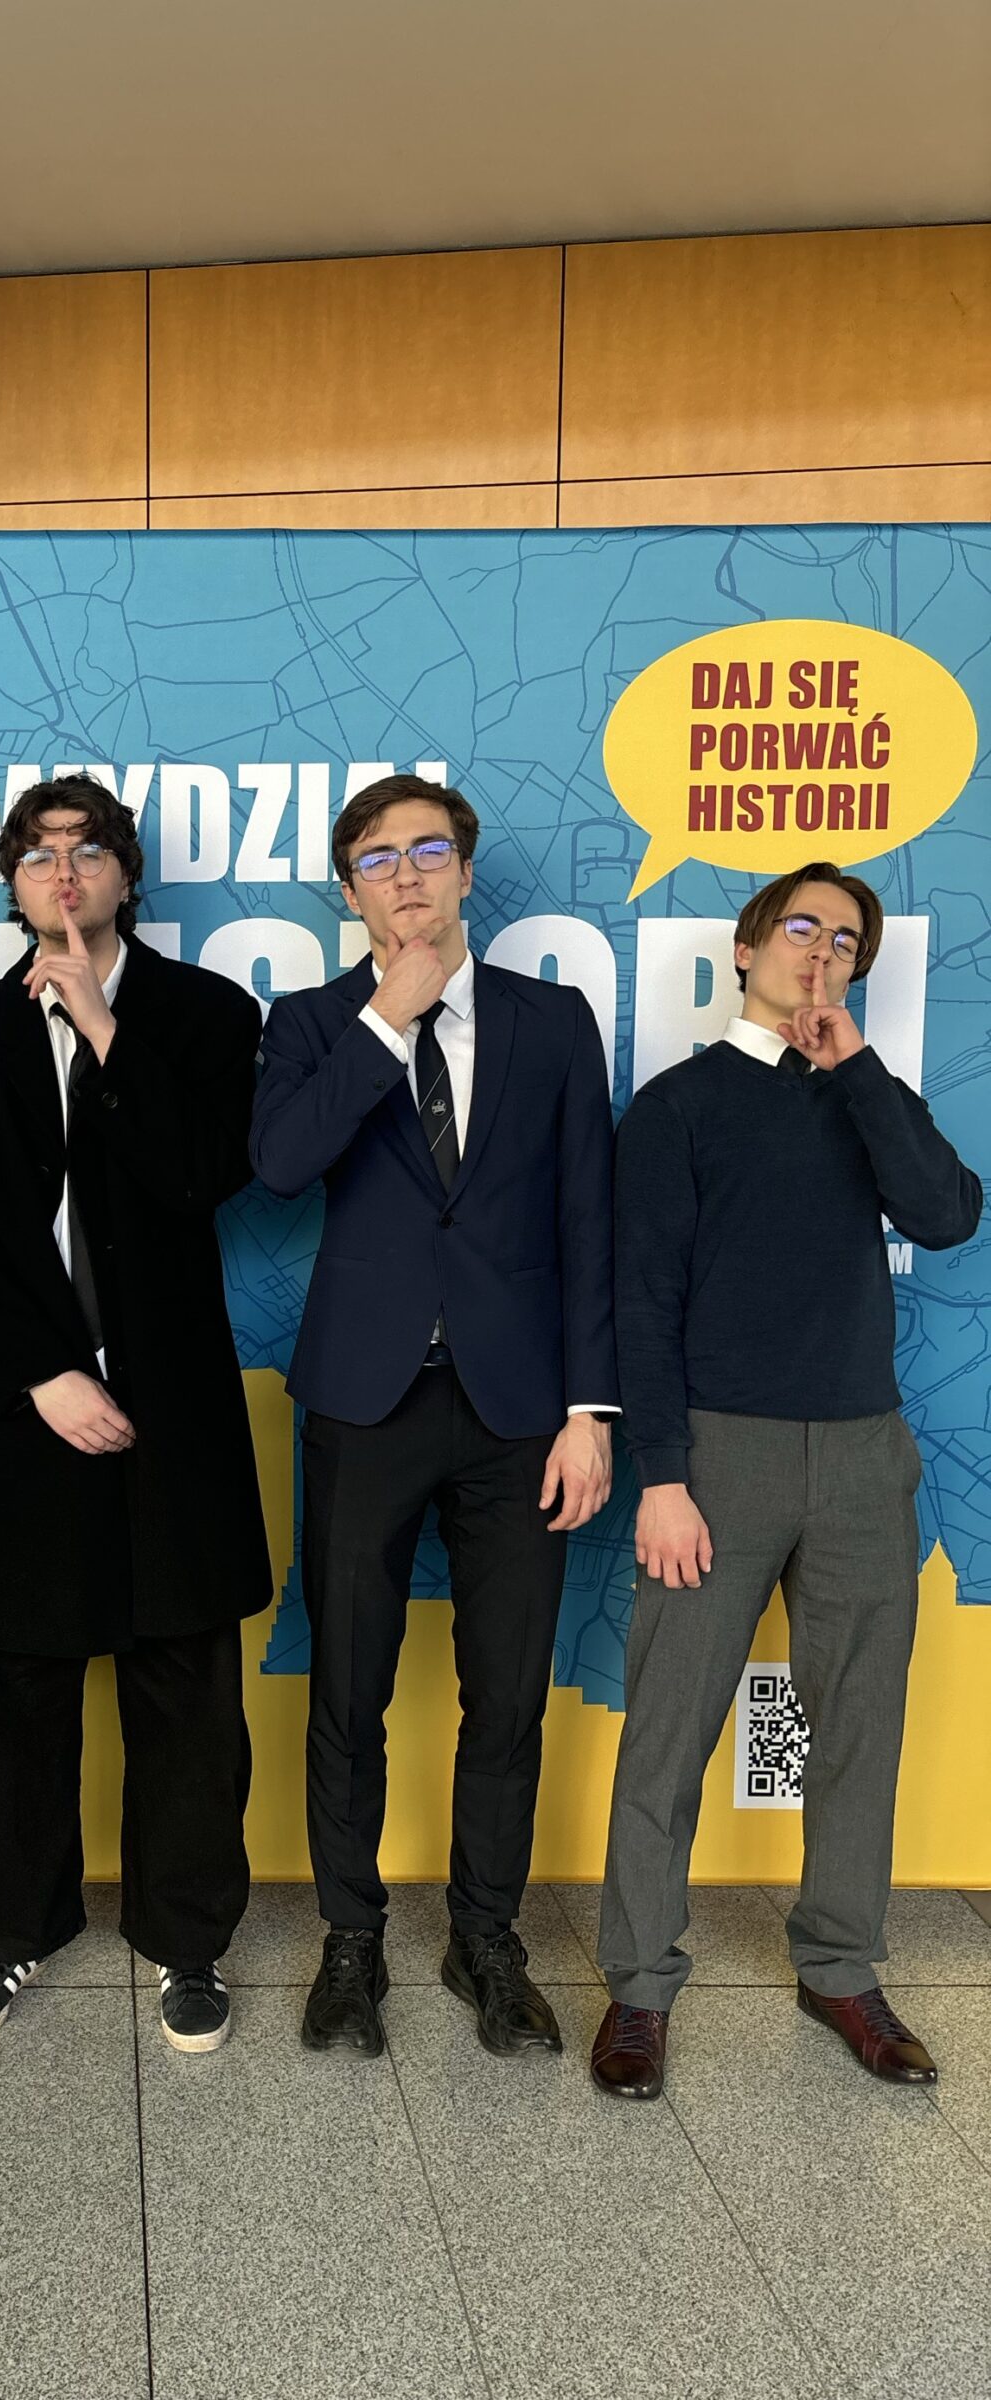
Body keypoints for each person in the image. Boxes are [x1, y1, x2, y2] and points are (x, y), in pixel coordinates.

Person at [592, 863, 982, 2101]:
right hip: (720, 1452)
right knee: (670, 1728)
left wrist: (855, 1066)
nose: (822, 950)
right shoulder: (679, 1106)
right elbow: (641, 1300)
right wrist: (663, 1478)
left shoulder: (870, 1094)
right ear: (749, 949)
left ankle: (841, 1968)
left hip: (864, 1452)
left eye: (847, 939)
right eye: (801, 926)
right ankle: (639, 1986)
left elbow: (947, 1215)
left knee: (860, 1724)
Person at [0, 772, 271, 2054]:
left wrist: (107, 1029)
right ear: (12, 882)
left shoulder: (209, 1015)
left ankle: (188, 1942)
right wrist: (42, 1375)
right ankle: (12, 1931)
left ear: (125, 874)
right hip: (21, 1412)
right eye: (40, 852)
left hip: (172, 1415)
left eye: (91, 849)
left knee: (187, 1698)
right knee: (3, 1696)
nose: (65, 871)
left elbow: (201, 1175)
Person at [252, 773, 617, 2059]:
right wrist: (384, 1021)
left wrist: (590, 1411)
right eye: (376, 859)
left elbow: (588, 1217)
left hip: (521, 1413)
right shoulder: (310, 1023)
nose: (404, 876)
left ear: (464, 871)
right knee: (347, 1690)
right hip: (366, 1403)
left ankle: (485, 1939)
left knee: (506, 1696)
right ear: (348, 892)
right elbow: (280, 1165)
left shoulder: (552, 1020)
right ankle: (351, 1941)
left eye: (426, 851)